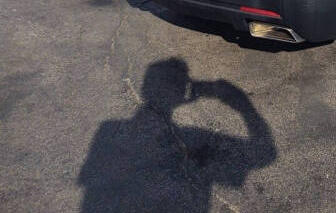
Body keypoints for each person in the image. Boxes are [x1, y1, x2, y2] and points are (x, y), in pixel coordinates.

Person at [78, 58, 275, 212]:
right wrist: (245, 107)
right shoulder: (191, 134)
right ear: (182, 93)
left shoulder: (107, 129)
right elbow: (264, 155)